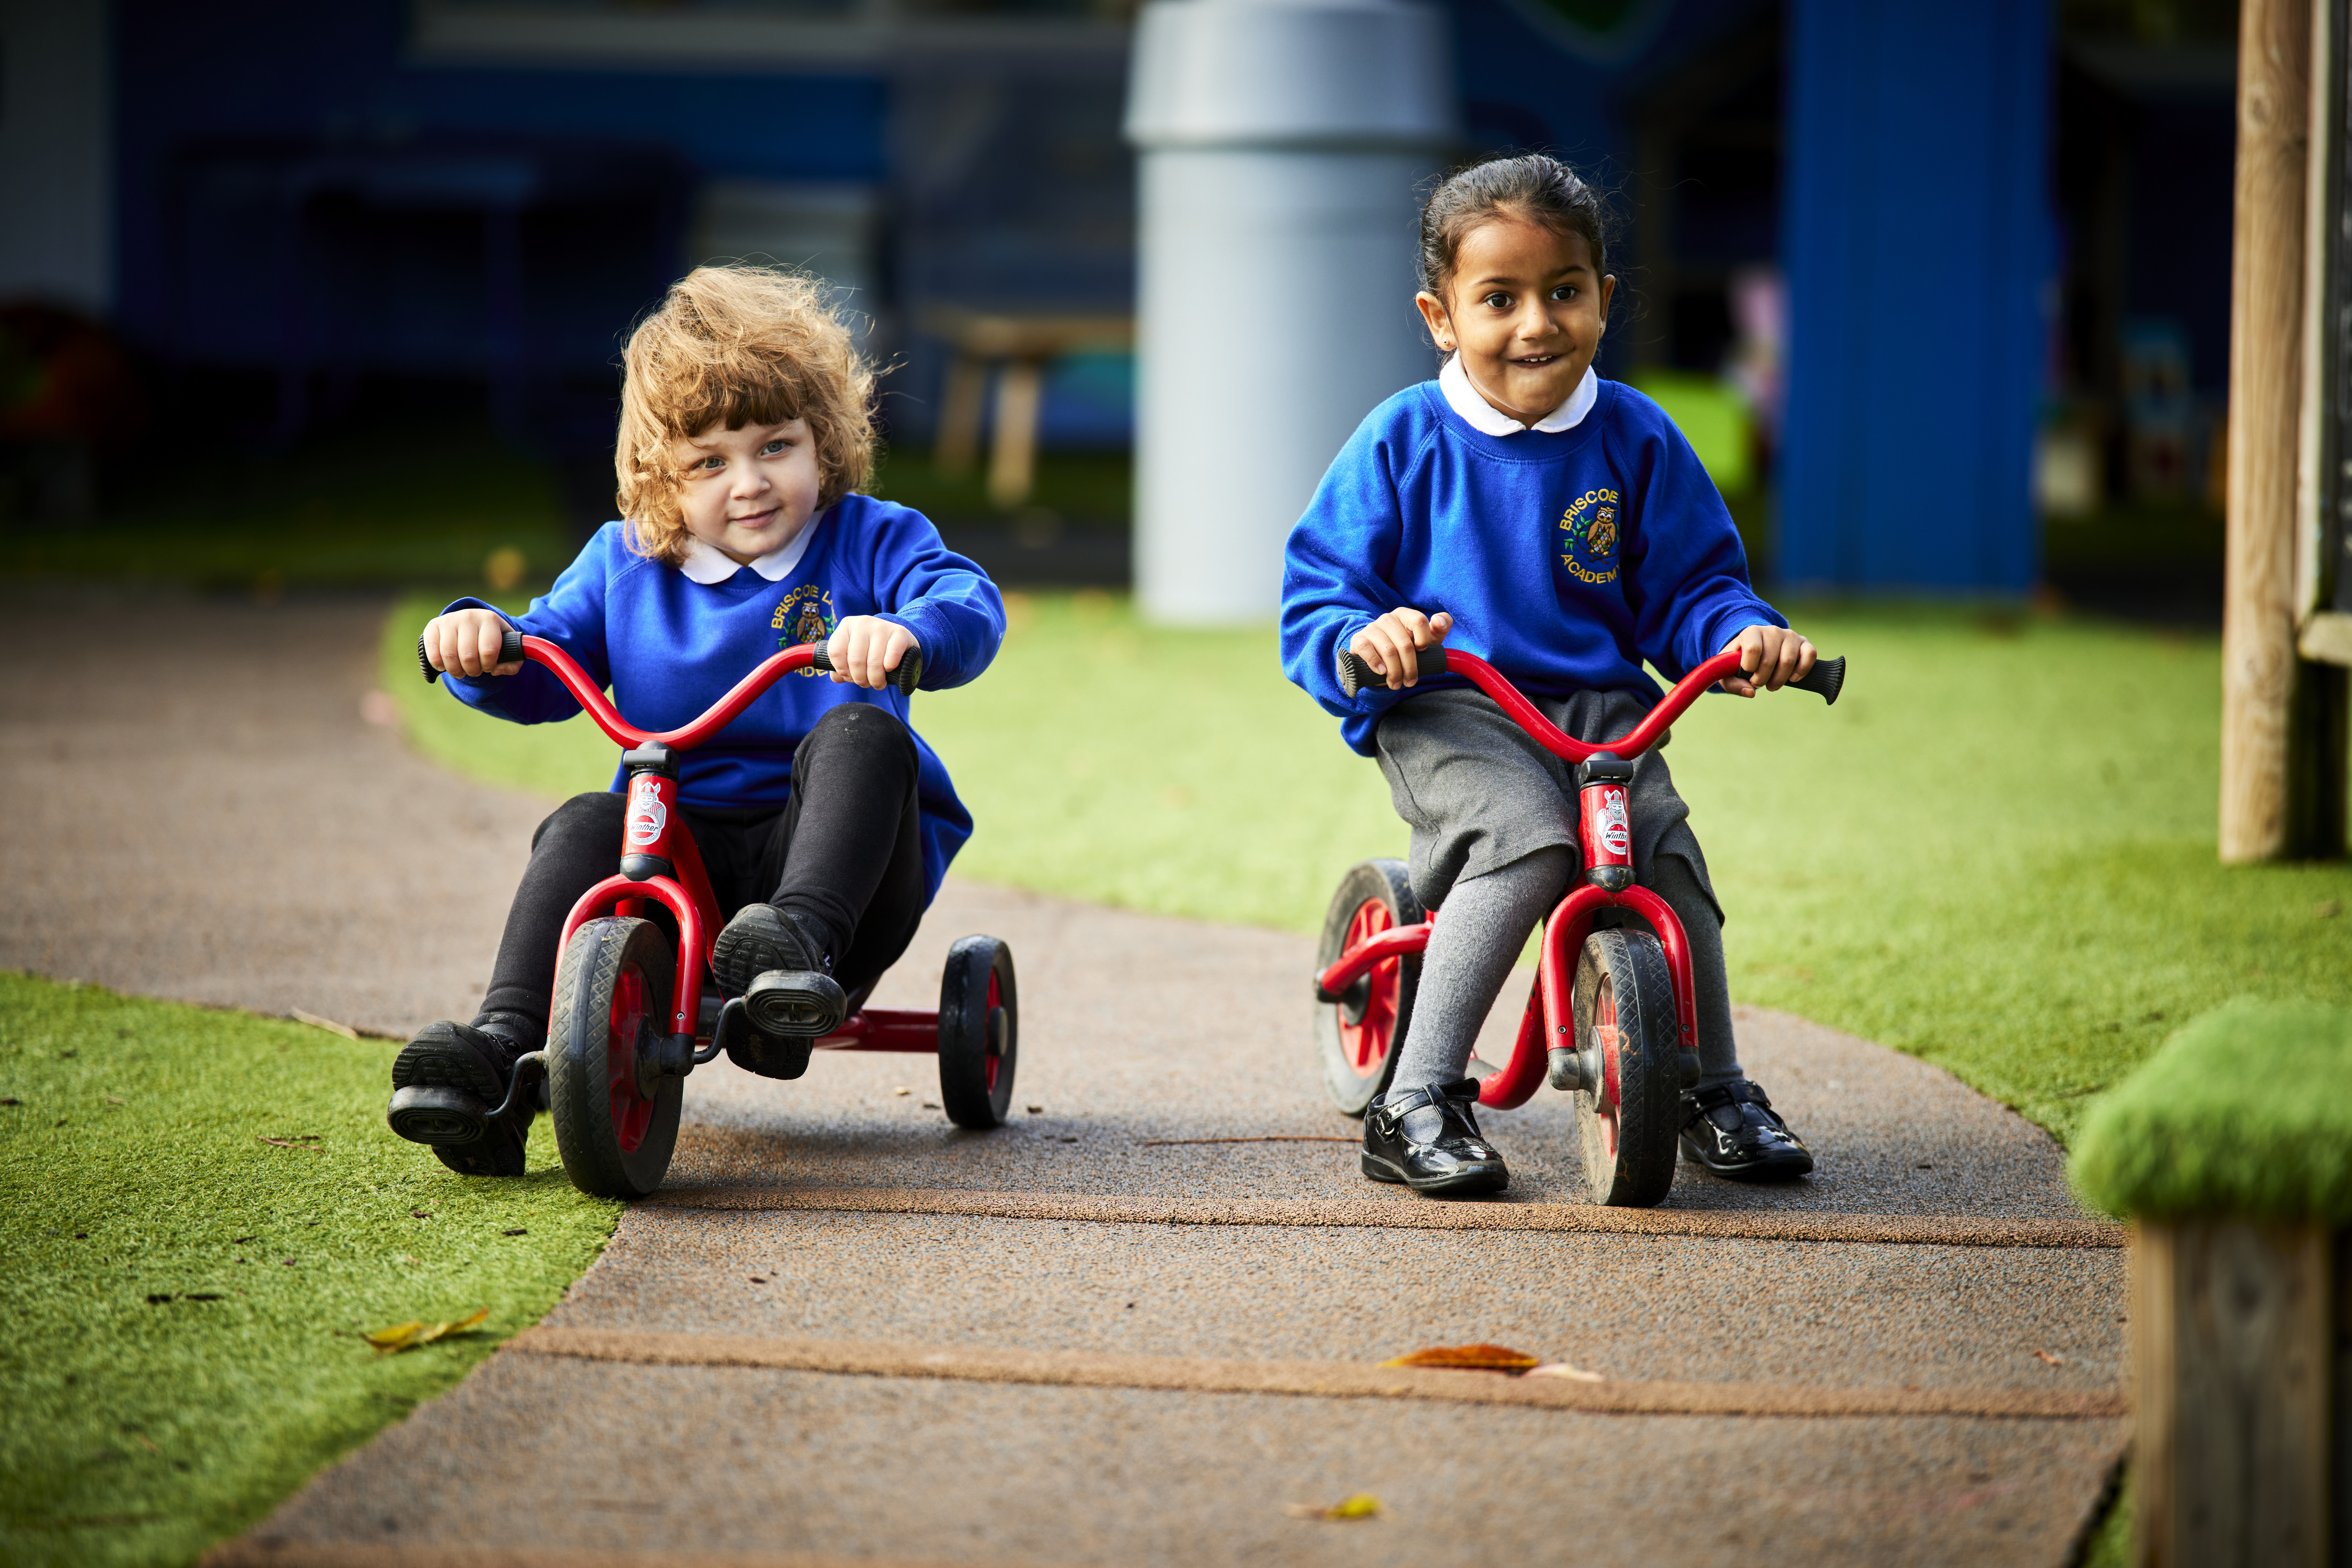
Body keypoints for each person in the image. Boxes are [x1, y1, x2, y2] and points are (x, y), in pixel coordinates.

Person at [388, 264, 1005, 1177]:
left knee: (864, 733)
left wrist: (909, 631)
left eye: (775, 446)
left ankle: (789, 956)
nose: (749, 484)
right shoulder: (624, 564)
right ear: (659, 478)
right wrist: (486, 642)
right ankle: (500, 1051)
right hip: (680, 858)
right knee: (586, 822)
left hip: (844, 874)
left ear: (824, 442)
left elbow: (966, 602)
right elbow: (541, 656)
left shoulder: (873, 539)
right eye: (709, 463)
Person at [1281, 154, 1817, 1198]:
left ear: (1604, 301)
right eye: (1500, 300)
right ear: (1442, 318)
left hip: (1602, 711)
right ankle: (1416, 1098)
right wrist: (1366, 634)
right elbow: (1320, 592)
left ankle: (1716, 1088)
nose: (1537, 324)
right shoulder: (1403, 439)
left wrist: (1745, 632)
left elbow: (1695, 585)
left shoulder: (1635, 437)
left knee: (1663, 855)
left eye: (1563, 292)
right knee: (1528, 839)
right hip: (1450, 703)